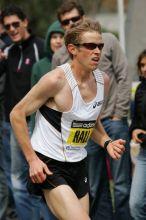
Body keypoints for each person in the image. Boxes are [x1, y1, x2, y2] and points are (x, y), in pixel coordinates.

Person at [10, 18, 125, 220]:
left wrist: (106, 142)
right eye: (90, 46)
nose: (97, 51)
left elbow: (90, 123)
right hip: (49, 164)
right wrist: (32, 160)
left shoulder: (103, 81)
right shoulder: (56, 80)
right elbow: (17, 114)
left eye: (100, 46)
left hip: (78, 163)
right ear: (72, 49)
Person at [52, 1, 132, 220]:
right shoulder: (60, 56)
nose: (70, 24)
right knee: (95, 186)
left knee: (122, 184)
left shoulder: (108, 41)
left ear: (83, 17)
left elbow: (124, 76)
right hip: (84, 128)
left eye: (75, 19)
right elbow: (57, 98)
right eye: (65, 22)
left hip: (112, 120)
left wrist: (118, 114)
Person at [0, 4, 51, 220]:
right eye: (7, 26)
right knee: (17, 182)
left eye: (16, 24)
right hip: (13, 126)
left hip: (38, 125)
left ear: (25, 22)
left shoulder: (40, 47)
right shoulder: (8, 52)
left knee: (42, 180)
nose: (12, 29)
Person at [31, 20, 64, 131]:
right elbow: (33, 100)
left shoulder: (73, 65)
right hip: (44, 125)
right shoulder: (39, 66)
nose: (58, 41)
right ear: (48, 40)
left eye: (61, 37)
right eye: (54, 37)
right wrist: (33, 128)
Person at [129, 49, 146, 220]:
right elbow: (135, 120)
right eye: (142, 65)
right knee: (135, 204)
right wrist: (133, 130)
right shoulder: (140, 88)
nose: (145, 69)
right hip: (143, 154)